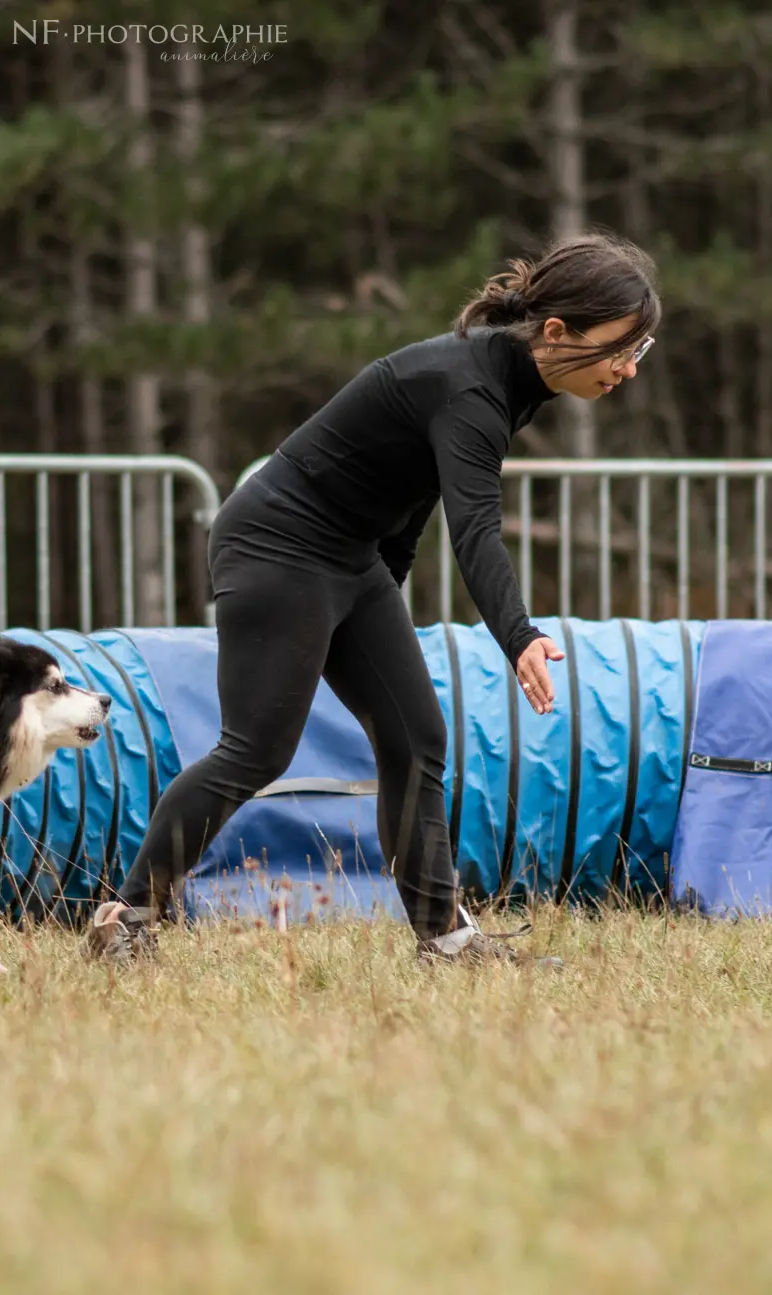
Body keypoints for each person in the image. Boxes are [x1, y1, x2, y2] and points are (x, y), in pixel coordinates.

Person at [84, 231, 661, 967]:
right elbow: (476, 529)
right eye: (621, 348)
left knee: (418, 738)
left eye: (640, 352)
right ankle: (125, 919)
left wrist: (384, 586)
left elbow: (411, 493)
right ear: (556, 332)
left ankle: (446, 941)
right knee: (255, 749)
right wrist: (517, 634)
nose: (629, 370)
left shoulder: (513, 380)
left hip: (348, 557)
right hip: (277, 545)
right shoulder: (475, 389)